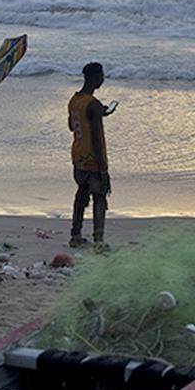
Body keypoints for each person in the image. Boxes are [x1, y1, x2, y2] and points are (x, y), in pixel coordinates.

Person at [68, 62, 114, 249]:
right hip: (93, 158)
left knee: (81, 194)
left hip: (78, 155)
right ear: (95, 78)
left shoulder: (75, 101)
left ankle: (75, 234)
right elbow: (96, 139)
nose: (102, 79)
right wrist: (103, 168)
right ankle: (99, 239)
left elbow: (72, 125)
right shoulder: (93, 105)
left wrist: (99, 113)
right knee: (99, 197)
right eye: (101, 76)